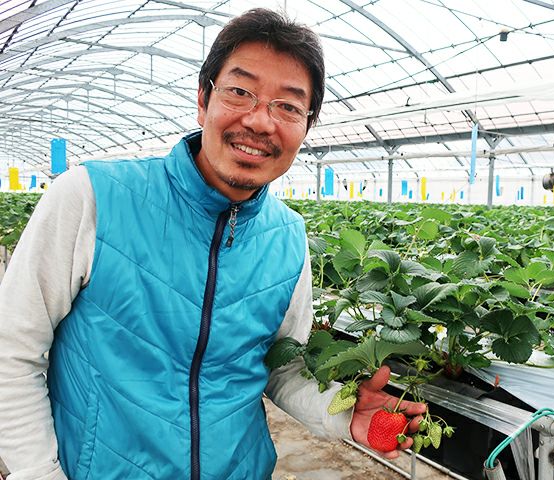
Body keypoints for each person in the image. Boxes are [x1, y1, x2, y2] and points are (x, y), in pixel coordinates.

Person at [0, 8, 425, 480]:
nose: (260, 121)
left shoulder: (288, 237)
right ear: (203, 99)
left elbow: (280, 367)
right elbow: (11, 351)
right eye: (240, 91)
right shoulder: (90, 197)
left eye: (288, 106)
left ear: (306, 127)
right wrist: (38, 472)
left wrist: (343, 414)